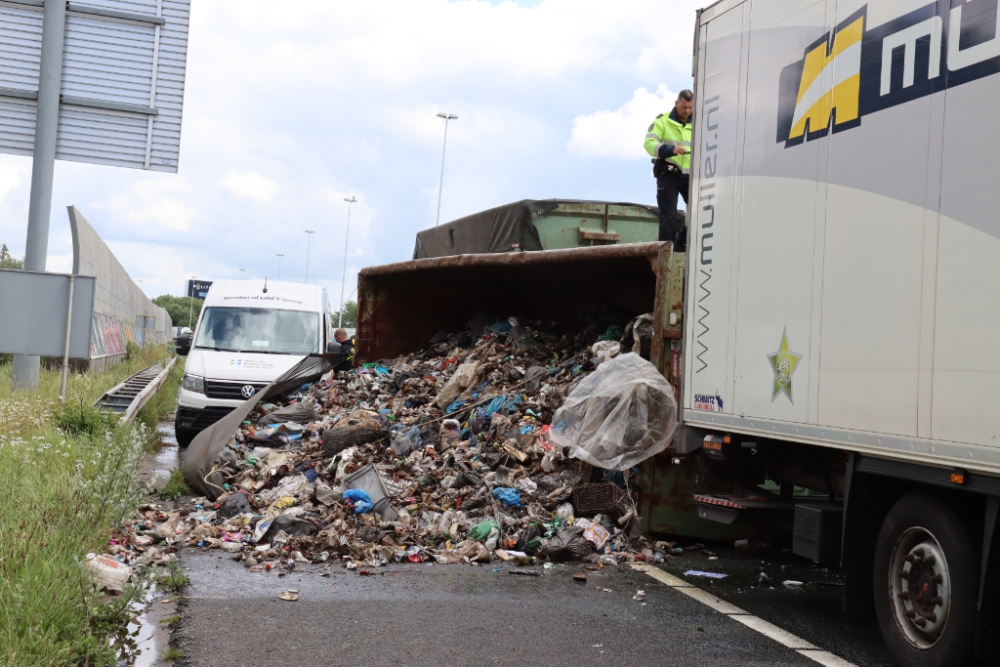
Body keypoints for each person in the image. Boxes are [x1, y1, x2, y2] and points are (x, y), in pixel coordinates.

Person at [644, 89, 693, 249]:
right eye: (684, 107)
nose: (687, 111)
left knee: (699, 213)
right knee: (668, 216)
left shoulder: (701, 122)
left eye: (690, 108)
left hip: (691, 177)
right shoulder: (662, 121)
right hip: (669, 174)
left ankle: (679, 247)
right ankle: (666, 254)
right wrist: (670, 150)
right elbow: (649, 144)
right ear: (676, 103)